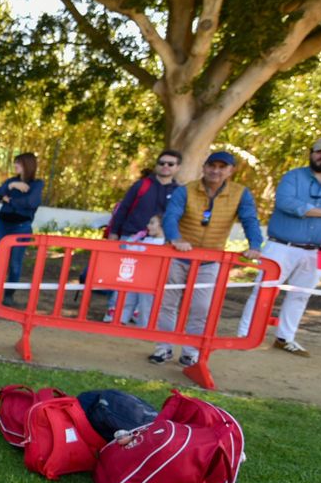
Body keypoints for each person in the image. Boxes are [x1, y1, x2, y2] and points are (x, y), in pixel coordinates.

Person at [236, 135, 321, 356]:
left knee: (300, 295)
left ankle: (285, 338)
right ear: (311, 153)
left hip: (317, 250)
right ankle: (245, 336)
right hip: (281, 246)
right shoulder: (293, 176)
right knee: (263, 291)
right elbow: (288, 204)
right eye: (319, 151)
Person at [149, 150, 263, 367]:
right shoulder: (186, 190)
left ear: (231, 171)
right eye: (212, 165)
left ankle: (190, 352)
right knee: (167, 303)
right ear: (204, 167)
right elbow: (171, 216)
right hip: (178, 256)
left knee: (201, 307)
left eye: (222, 167)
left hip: (210, 260)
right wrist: (175, 239)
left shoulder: (240, 193)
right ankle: (163, 348)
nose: (215, 171)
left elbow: (250, 219)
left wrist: (255, 246)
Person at [102, 150, 182, 319]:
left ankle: (141, 317)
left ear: (177, 167)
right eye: (161, 163)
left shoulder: (179, 191)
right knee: (124, 277)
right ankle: (115, 314)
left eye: (170, 164)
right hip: (132, 238)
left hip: (160, 243)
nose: (165, 166)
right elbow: (123, 208)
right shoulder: (142, 185)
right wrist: (114, 232)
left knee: (150, 280)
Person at [0, 153, 43, 301]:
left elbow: (31, 203)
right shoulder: (11, 181)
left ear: (27, 165)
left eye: (18, 163)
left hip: (21, 227)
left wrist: (10, 201)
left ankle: (8, 295)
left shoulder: (37, 184)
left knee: (15, 262)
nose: (15, 166)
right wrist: (12, 186)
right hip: (2, 225)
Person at [116, 215, 167, 326]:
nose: (148, 226)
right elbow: (129, 249)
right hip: (137, 276)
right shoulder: (146, 240)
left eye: (152, 223)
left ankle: (145, 328)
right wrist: (134, 239)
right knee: (127, 300)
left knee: (145, 305)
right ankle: (120, 322)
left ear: (162, 226)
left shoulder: (165, 244)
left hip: (151, 280)